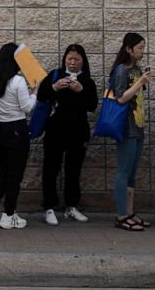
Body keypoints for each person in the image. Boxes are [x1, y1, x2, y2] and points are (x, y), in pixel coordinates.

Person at [37, 43, 98, 226]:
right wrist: (55, 87)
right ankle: (49, 207)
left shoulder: (87, 81)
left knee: (74, 170)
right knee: (51, 168)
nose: (72, 63)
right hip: (55, 130)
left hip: (78, 132)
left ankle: (71, 206)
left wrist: (80, 91)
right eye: (69, 59)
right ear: (65, 60)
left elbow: (92, 105)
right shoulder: (55, 75)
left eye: (76, 59)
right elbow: (41, 95)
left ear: (82, 62)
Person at [0, 42, 38, 229]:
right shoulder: (18, 81)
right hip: (16, 130)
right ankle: (9, 215)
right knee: (15, 175)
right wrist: (35, 93)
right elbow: (27, 108)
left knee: (5, 171)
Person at [110, 32, 150, 232]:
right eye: (140, 47)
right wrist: (140, 83)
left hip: (138, 124)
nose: (142, 51)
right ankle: (121, 215)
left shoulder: (137, 69)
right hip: (126, 126)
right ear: (128, 49)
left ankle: (130, 212)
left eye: (143, 47)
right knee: (123, 171)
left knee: (132, 172)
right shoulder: (121, 70)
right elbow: (120, 98)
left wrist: (141, 80)